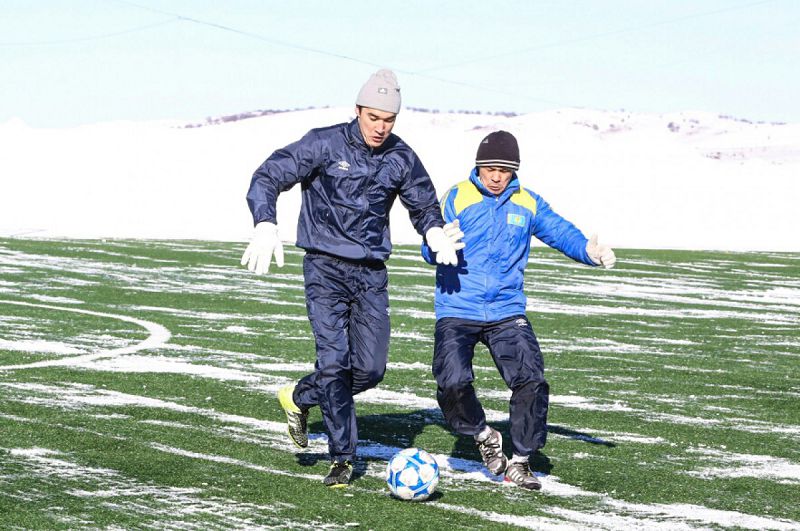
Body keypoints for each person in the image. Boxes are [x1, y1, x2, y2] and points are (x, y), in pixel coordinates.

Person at [241, 69, 463, 488]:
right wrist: (265, 222)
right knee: (334, 362)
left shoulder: (401, 156)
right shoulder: (323, 143)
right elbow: (269, 175)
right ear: (358, 110)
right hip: (324, 268)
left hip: (371, 275)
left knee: (370, 368)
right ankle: (343, 458)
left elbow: (423, 203)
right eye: (373, 117)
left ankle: (299, 396)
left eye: (389, 120)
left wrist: (433, 229)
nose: (380, 127)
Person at [421, 130, 616, 490]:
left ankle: (521, 460)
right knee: (451, 381)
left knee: (531, 380)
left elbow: (560, 232)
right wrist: (435, 247)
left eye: (504, 170)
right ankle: (482, 434)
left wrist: (589, 252)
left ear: (515, 171)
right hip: (457, 307)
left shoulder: (528, 202)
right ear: (478, 167)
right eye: (490, 169)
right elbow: (430, 240)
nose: (496, 177)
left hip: (506, 310)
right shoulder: (456, 196)